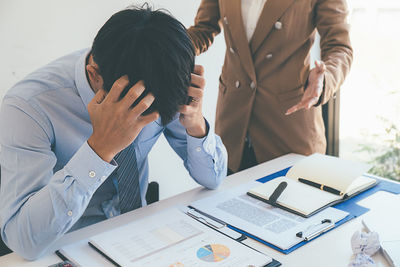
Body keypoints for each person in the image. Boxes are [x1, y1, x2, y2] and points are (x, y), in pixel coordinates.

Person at [0, 6, 227, 260]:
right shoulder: (29, 106)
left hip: (140, 237)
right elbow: (23, 240)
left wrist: (196, 126)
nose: (144, 121)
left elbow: (213, 179)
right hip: (65, 246)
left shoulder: (162, 77)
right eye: (137, 108)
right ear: (94, 76)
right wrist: (100, 149)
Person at [187, 0, 353, 173]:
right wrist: (167, 47)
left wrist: (324, 80)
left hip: (288, 128)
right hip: (233, 123)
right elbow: (203, 29)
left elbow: (339, 47)